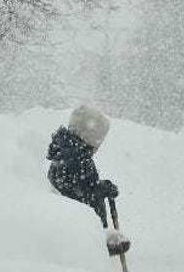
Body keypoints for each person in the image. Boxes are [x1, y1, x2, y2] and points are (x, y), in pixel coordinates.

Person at [47, 105, 128, 254]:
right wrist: (99, 190)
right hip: (76, 230)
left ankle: (100, 238)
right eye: (98, 137)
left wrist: (99, 186)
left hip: (80, 225)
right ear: (88, 134)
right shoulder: (74, 156)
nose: (99, 143)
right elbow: (73, 197)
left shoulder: (71, 150)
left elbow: (79, 186)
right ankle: (97, 244)